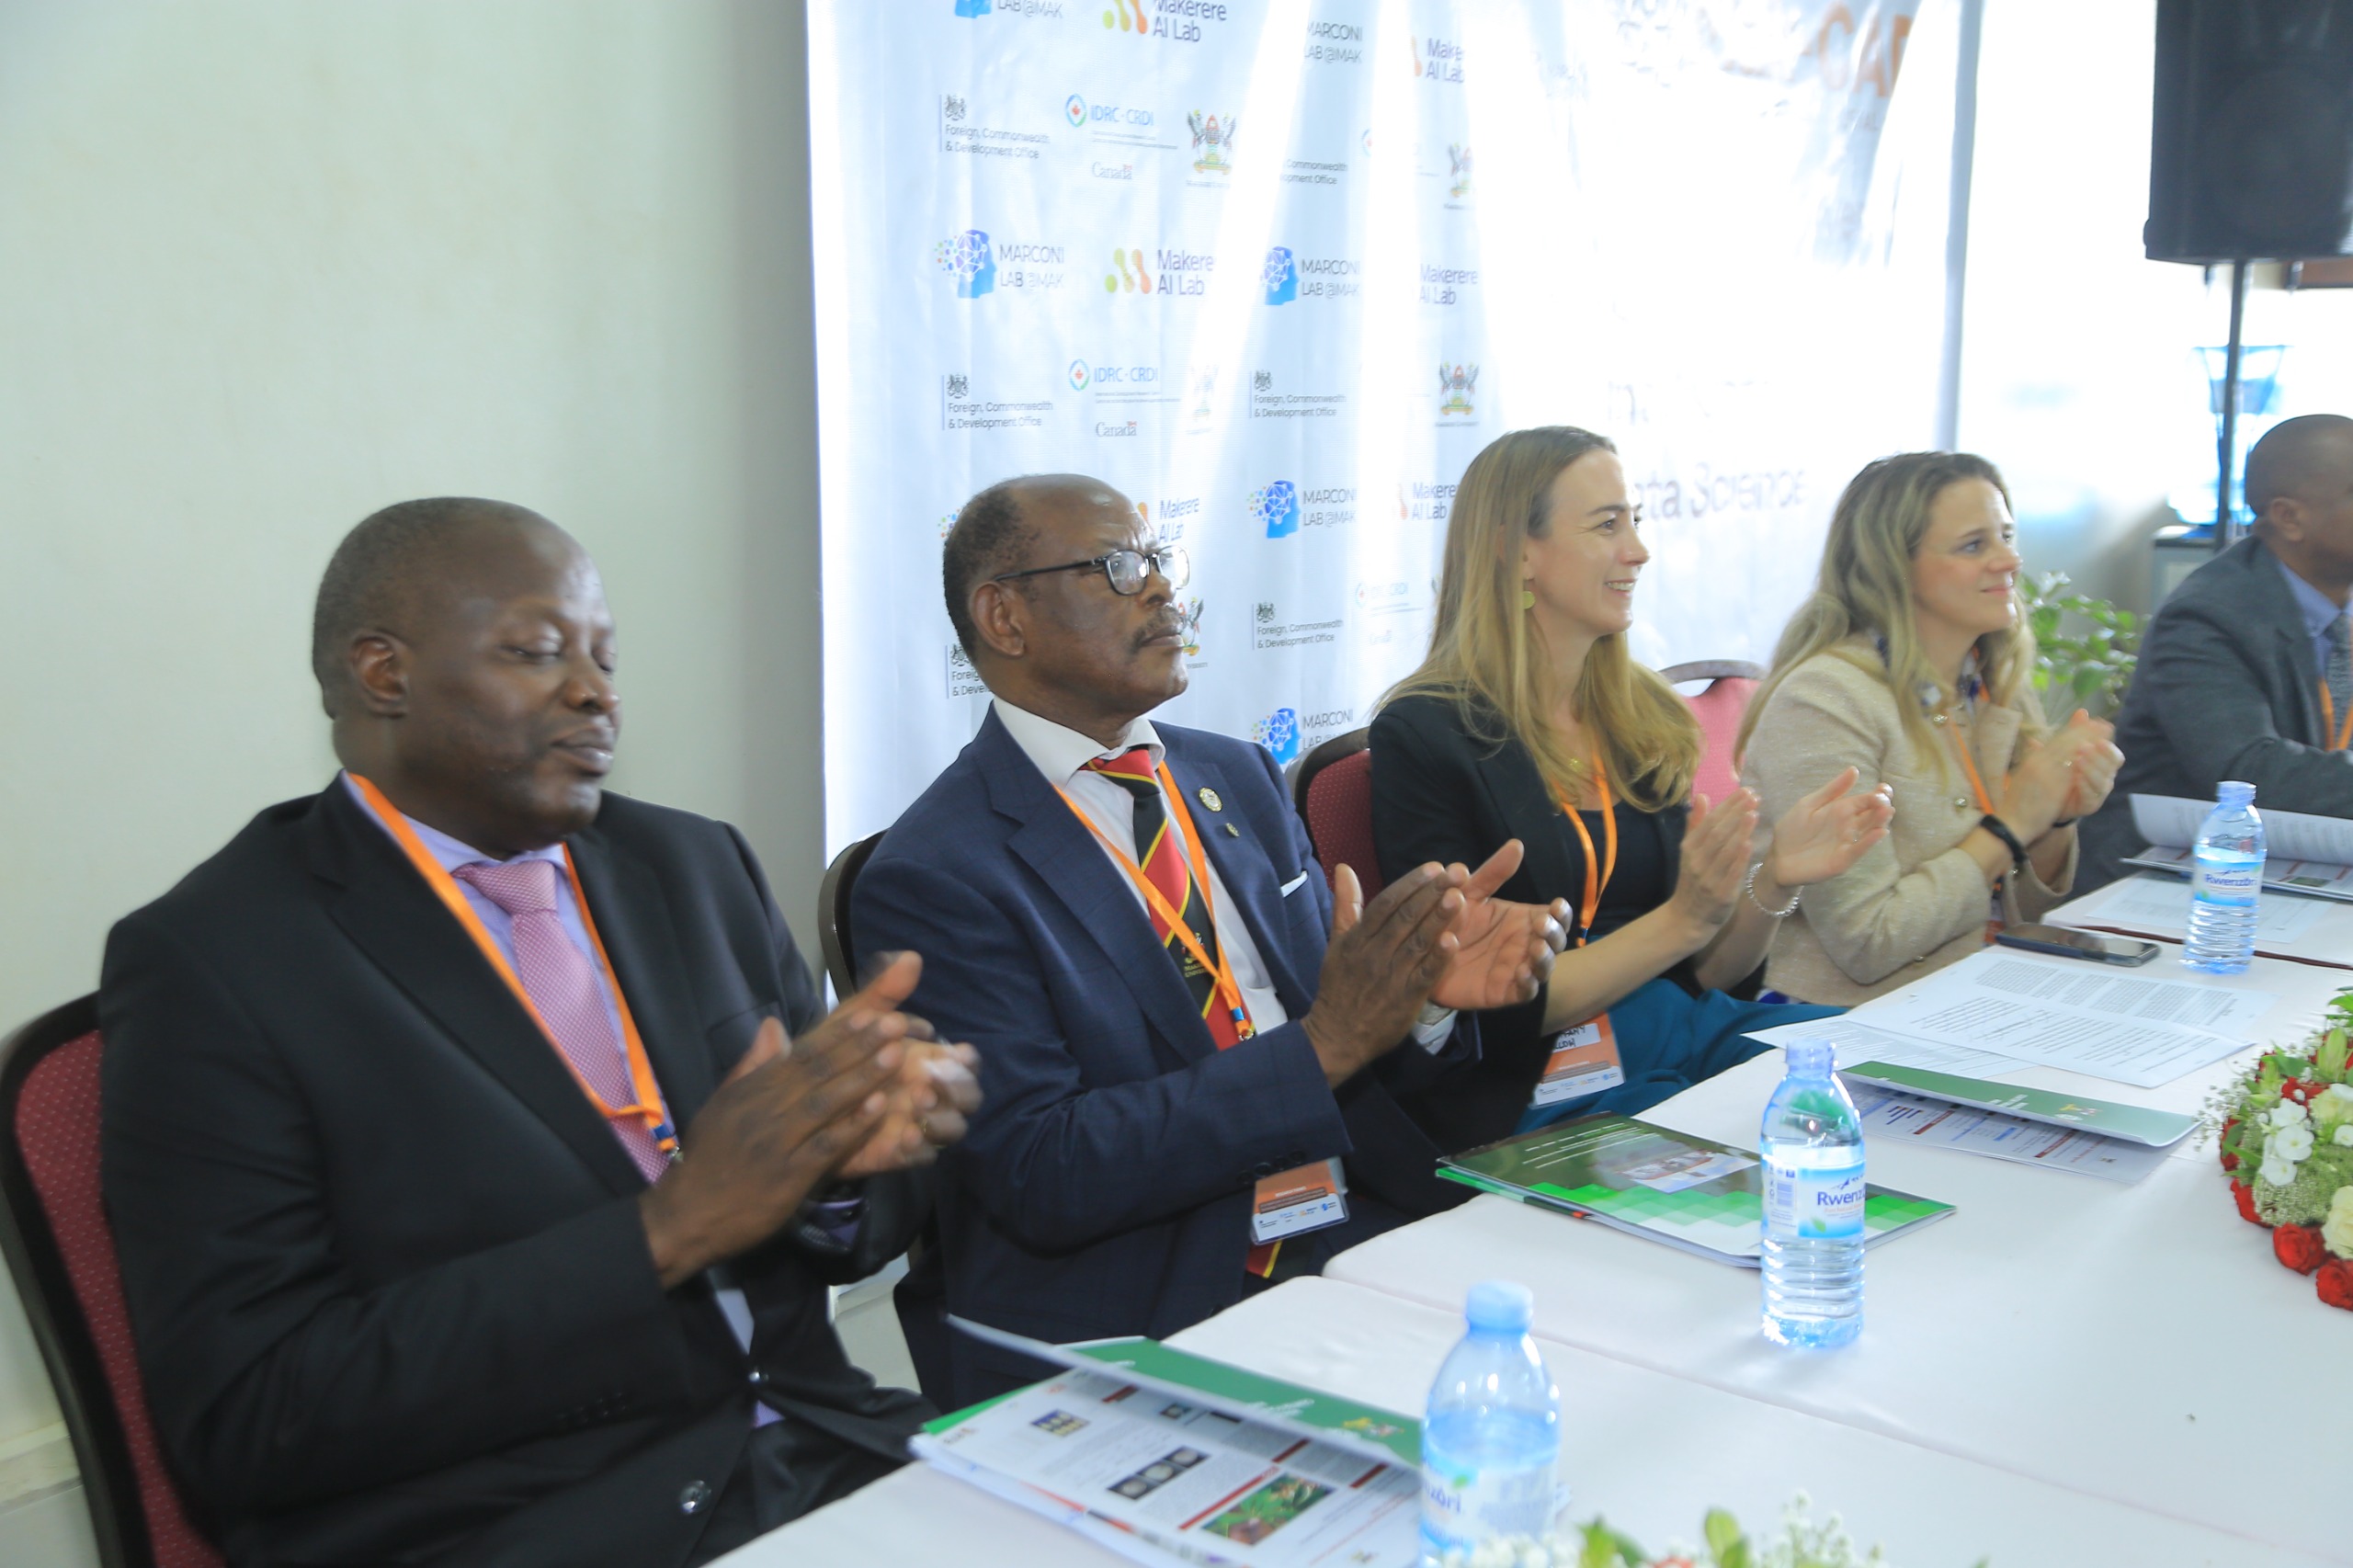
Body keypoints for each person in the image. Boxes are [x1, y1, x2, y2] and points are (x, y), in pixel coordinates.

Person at [99, 499, 982, 1568]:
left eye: (605, 655)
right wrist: (671, 1227)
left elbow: (862, 1227)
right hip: (518, 1523)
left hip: (831, 1456)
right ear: (384, 672)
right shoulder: (219, 960)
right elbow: (252, 1417)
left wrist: (842, 1167)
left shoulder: (695, 865)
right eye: (538, 650)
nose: (596, 690)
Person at [851, 473, 1566, 1408]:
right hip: (1153, 1294)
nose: (1158, 588)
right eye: (1114, 566)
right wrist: (1328, 1043)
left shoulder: (1233, 773)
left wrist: (1420, 995)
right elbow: (1043, 1169)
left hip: (1346, 1226)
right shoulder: (937, 873)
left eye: (1156, 560)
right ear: (1004, 615)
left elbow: (1344, 1045)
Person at [1369, 426, 1891, 1155]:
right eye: (1607, 525)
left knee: (1886, 1080)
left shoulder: (1638, 714)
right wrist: (1682, 920)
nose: (1638, 550)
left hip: (1675, 1033)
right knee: (1762, 1143)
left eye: (1635, 521)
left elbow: (1704, 971)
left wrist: (1774, 880)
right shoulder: (1425, 734)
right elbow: (1486, 1010)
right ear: (1517, 552)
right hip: (1534, 1085)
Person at [1740, 451, 2121, 1003]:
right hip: (1839, 1021)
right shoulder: (1824, 700)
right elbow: (1869, 943)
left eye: (2007, 536)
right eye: (1975, 545)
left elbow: (2025, 913)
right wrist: (2012, 826)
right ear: (1893, 570)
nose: (2009, 561)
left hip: (1975, 996)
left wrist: (2056, 817)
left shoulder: (1986, 679)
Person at [2082, 414, 2353, 889]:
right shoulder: (2208, 615)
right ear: (2290, 516)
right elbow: (2245, 771)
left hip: (2297, 865)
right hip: (2169, 885)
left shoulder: (2337, 599)